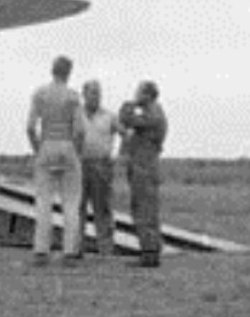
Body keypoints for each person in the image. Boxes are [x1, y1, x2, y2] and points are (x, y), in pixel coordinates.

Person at [26, 55, 85, 266]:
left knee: (43, 201)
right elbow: (80, 129)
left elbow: (30, 127)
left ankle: (41, 250)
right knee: (71, 202)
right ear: (68, 72)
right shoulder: (73, 97)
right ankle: (70, 251)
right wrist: (75, 152)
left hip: (47, 143)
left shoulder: (40, 94)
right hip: (67, 143)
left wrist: (37, 149)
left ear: (52, 70)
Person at [119, 80, 168, 267]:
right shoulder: (154, 112)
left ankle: (149, 254)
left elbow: (127, 119)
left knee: (144, 210)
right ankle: (151, 251)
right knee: (147, 210)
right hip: (144, 166)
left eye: (138, 92)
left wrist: (128, 105)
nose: (136, 95)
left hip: (144, 168)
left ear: (147, 94)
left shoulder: (153, 113)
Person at [77, 80, 124, 256]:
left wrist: (119, 157)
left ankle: (105, 250)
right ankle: (75, 249)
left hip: (101, 166)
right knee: (76, 208)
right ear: (84, 94)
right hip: (79, 165)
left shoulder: (109, 116)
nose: (96, 96)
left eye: (98, 93)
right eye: (92, 93)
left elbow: (125, 133)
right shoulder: (75, 115)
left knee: (102, 209)